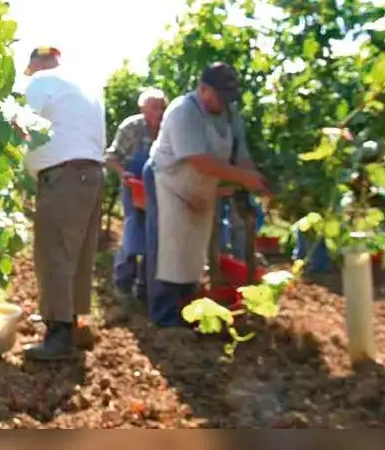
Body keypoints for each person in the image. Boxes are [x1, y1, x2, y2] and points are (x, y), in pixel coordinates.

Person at [142, 63, 269, 328]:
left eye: (228, 97)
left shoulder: (230, 114)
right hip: (167, 181)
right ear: (203, 89)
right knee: (168, 248)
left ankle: (186, 308)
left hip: (198, 188)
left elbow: (241, 155)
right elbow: (200, 160)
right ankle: (163, 317)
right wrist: (244, 178)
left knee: (192, 249)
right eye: (219, 95)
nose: (224, 102)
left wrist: (257, 181)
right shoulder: (183, 111)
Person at [20, 46, 106, 360]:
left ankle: (58, 334)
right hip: (92, 174)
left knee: (53, 253)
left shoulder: (41, 81)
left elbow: (19, 123)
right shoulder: (84, 86)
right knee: (79, 254)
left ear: (38, 63)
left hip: (64, 177)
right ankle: (73, 323)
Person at [104, 87, 167, 305]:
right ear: (143, 109)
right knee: (133, 232)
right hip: (135, 188)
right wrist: (123, 173)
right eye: (155, 107)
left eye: (162, 107)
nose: (160, 112)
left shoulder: (169, 129)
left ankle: (145, 288)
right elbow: (111, 157)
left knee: (155, 238)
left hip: (160, 190)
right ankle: (122, 283)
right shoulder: (131, 128)